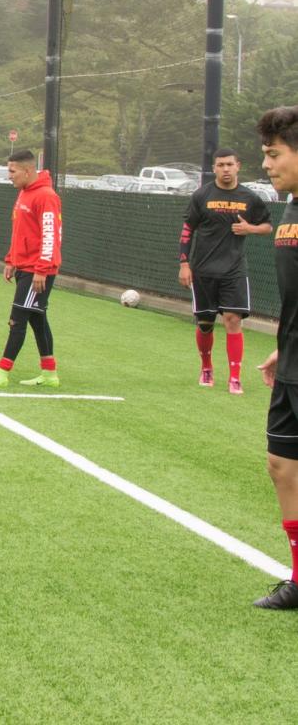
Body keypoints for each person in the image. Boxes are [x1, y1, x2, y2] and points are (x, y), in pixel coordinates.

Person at [178, 148, 273, 394]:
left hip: (234, 271)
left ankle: (234, 377)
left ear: (238, 166)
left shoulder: (250, 197)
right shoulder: (202, 195)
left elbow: (267, 226)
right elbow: (188, 230)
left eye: (230, 164)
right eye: (220, 165)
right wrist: (184, 264)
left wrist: (250, 229)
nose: (226, 169)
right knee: (206, 323)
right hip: (203, 270)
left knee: (232, 320)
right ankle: (207, 367)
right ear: (214, 168)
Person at [253, 106, 298, 610]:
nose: (266, 164)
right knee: (283, 465)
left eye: (273, 154)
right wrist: (284, 345)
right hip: (291, 365)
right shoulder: (291, 208)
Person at [0, 151, 64, 389]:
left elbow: (50, 235)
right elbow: (20, 232)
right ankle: (49, 373)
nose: (9, 177)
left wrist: (42, 270)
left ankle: (2, 371)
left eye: (12, 172)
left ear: (27, 170)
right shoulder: (24, 193)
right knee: (37, 319)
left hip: (38, 271)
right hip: (24, 266)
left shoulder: (46, 196)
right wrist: (11, 260)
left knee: (18, 319)